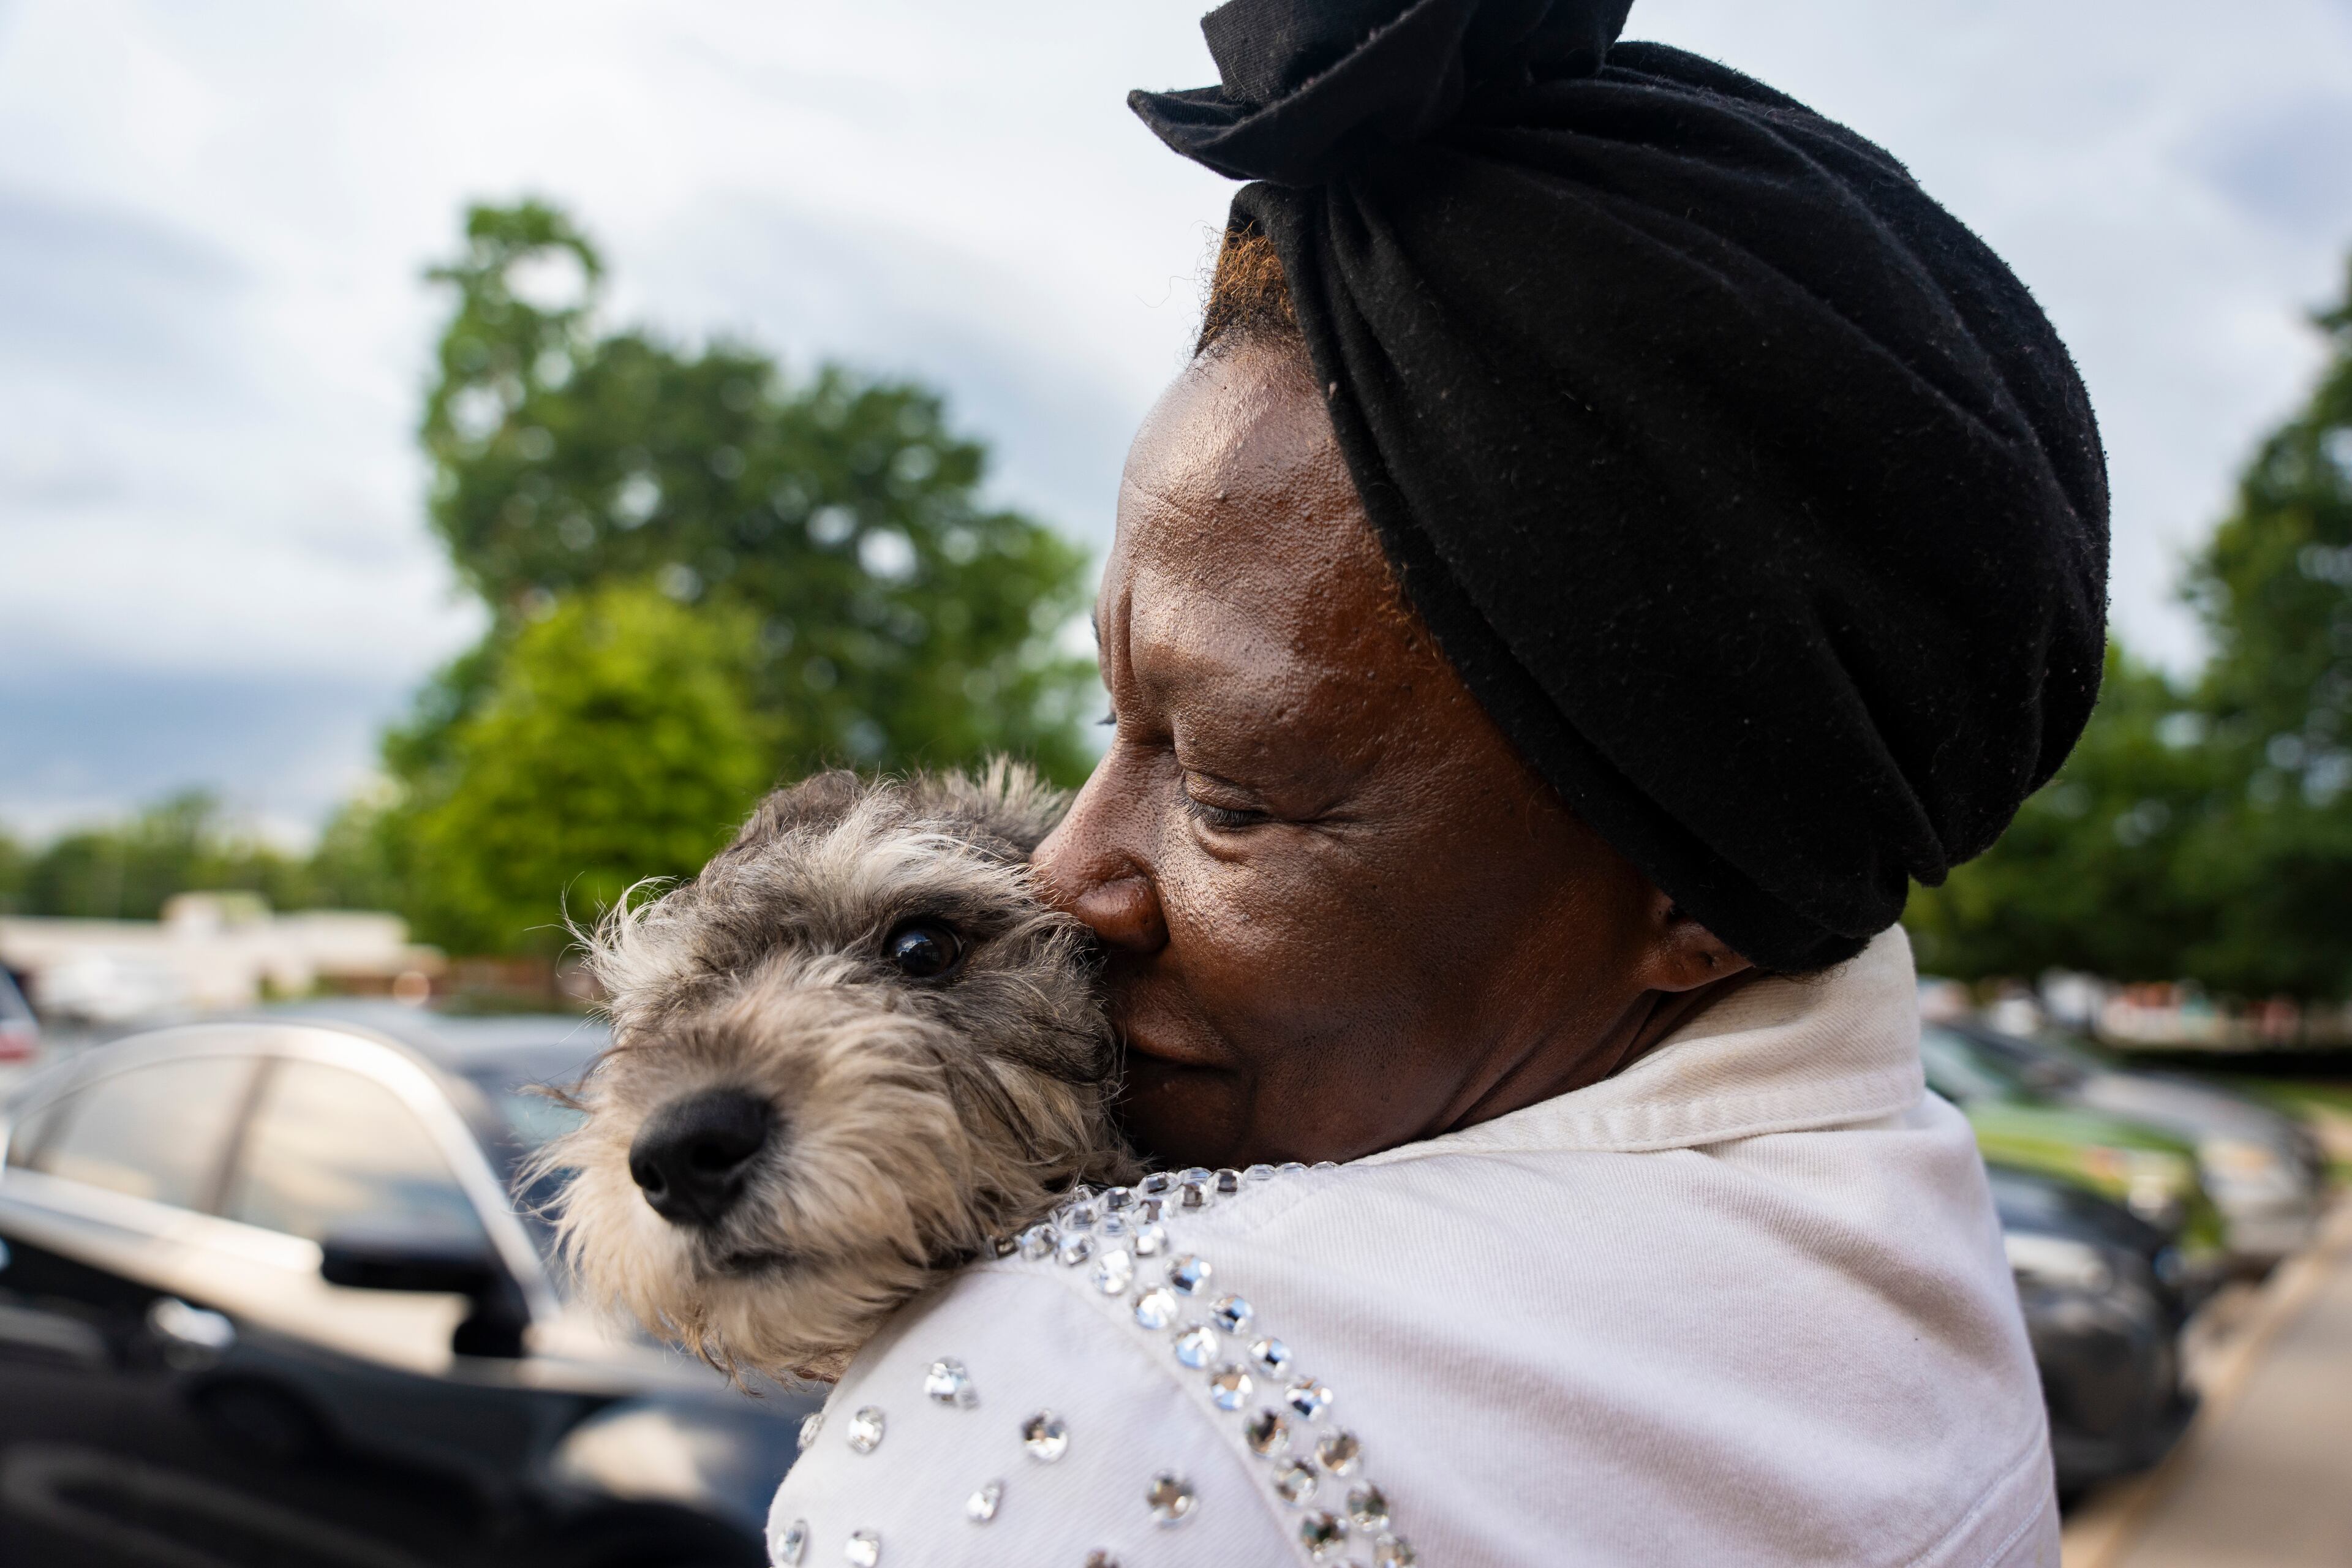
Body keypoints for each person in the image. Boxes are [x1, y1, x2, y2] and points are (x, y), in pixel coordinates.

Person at [768, 2, 2104, 1563]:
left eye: (1233, 794)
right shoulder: (1908, 1231)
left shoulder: (1112, 1401)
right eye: (1122, 716)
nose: (1066, 875)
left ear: (1696, 897)